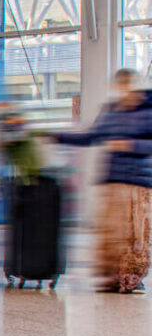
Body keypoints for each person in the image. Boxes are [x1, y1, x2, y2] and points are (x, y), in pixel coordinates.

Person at [56, 68, 152, 293]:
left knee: (133, 235)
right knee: (111, 233)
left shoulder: (147, 112)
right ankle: (111, 277)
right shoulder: (110, 112)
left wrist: (130, 145)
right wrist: (57, 137)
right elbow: (92, 137)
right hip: (111, 178)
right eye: (121, 86)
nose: (125, 90)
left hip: (136, 181)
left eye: (129, 85)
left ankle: (132, 278)